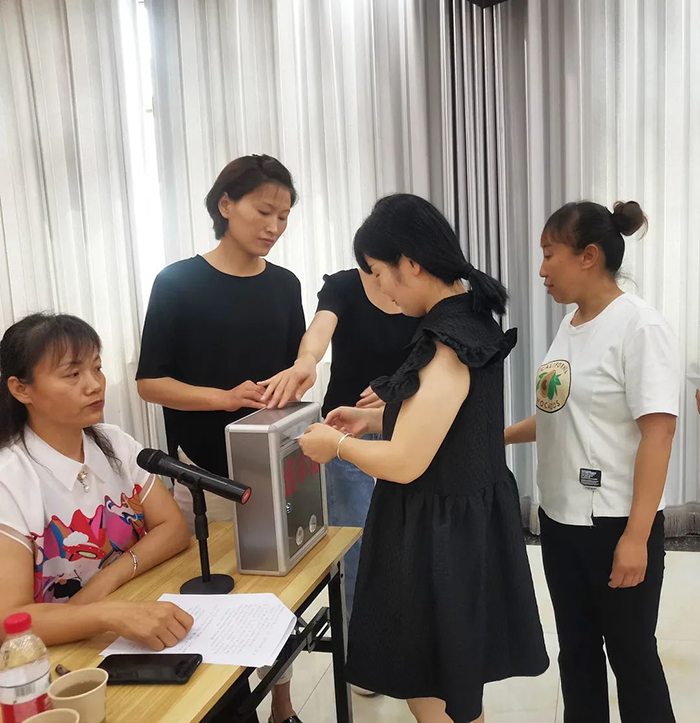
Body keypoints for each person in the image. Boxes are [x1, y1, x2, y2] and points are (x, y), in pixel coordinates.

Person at [299, 194, 549, 723]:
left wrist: (336, 446)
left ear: (409, 263)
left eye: (378, 274)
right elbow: (447, 421)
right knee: (446, 673)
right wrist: (370, 420)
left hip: (438, 530)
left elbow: (407, 462)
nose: (381, 290)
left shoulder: (445, 341)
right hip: (464, 516)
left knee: (427, 677)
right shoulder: (472, 315)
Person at [136, 154, 305, 723]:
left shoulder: (284, 284)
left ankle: (282, 704)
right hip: (201, 469)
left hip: (272, 458)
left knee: (280, 590)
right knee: (215, 599)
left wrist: (294, 387)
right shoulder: (177, 283)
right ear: (225, 205)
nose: (274, 226)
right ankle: (228, 707)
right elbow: (150, 383)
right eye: (264, 211)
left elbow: (295, 367)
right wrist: (225, 398)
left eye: (284, 216)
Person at [506, 201, 679, 722]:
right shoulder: (571, 325)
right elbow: (558, 414)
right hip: (560, 521)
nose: (541, 270)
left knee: (632, 657)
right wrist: (498, 437)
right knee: (577, 653)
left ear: (588, 255)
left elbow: (659, 433)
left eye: (549, 254)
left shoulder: (639, 327)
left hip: (615, 523)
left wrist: (636, 537)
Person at [0, 313, 193, 650]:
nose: (94, 385)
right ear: (20, 389)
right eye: (73, 374)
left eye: (97, 368)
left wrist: (105, 583)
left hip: (130, 614)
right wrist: (105, 614)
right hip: (59, 655)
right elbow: (10, 622)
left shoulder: (113, 442)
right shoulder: (9, 478)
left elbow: (174, 529)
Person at [259, 268, 420, 628]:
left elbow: (434, 357)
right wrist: (306, 361)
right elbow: (319, 331)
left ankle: (406, 628)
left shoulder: (420, 289)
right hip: (344, 430)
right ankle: (360, 634)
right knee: (354, 538)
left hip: (405, 426)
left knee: (408, 534)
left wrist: (402, 385)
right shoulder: (345, 285)